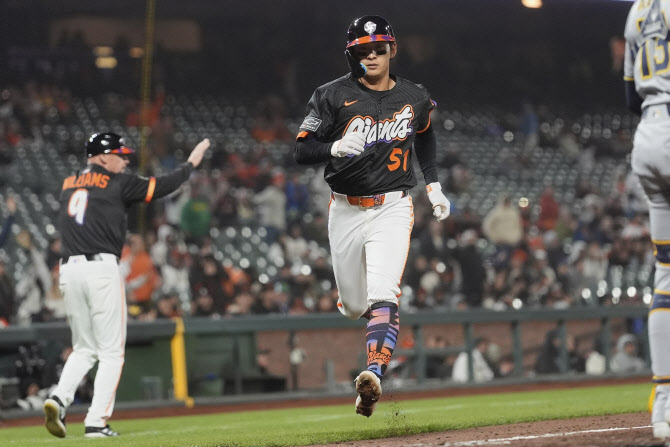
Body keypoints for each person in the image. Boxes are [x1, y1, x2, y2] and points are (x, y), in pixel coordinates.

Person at [294, 15, 450, 417]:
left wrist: (433, 185)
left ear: (392, 49)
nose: (372, 55)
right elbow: (300, 150)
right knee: (351, 305)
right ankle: (376, 331)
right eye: (363, 50)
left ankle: (374, 373)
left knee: (384, 293)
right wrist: (332, 147)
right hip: (345, 209)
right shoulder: (331, 95)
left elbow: (425, 134)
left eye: (379, 48)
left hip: (393, 206)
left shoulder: (414, 95)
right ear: (352, 54)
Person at [43, 132, 210, 438]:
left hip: (68, 270)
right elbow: (163, 186)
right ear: (102, 157)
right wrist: (190, 164)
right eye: (119, 155)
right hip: (100, 269)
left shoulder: (68, 184)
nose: (125, 161)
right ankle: (96, 422)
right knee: (111, 352)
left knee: (83, 348)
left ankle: (59, 398)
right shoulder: (117, 182)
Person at [623, 0, 670, 439]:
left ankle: (663, 403)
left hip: (648, 136)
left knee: (666, 273)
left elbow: (627, 95)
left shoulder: (638, 8)